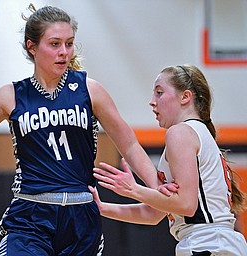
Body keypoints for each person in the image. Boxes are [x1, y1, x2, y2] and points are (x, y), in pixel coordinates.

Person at [0, 4, 174, 255]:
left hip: (81, 216)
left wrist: (157, 188)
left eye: (69, 43)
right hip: (30, 216)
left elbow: (130, 145)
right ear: (31, 47)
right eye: (55, 44)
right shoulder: (10, 96)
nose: (64, 52)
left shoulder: (91, 90)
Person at [89, 64, 247, 256]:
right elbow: (154, 214)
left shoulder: (180, 133)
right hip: (215, 243)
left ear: (185, 97)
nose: (152, 101)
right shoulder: (194, 134)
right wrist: (102, 208)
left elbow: (187, 205)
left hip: (208, 243)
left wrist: (133, 189)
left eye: (159, 93)